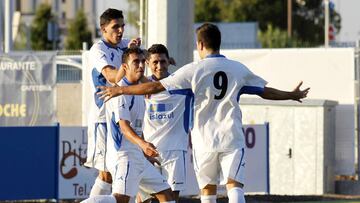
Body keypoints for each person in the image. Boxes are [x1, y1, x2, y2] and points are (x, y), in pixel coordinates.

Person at [97, 23, 310, 203]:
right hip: (231, 137)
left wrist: (120, 89)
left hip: (204, 141)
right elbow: (266, 92)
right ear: (218, 43)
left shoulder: (193, 70)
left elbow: (154, 87)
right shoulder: (237, 68)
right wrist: (291, 95)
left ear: (200, 45)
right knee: (235, 186)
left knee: (207, 191)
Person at [83, 47, 175, 203]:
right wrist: (144, 144)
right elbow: (125, 128)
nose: (140, 65)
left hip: (137, 157)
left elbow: (137, 127)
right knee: (120, 199)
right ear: (125, 67)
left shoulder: (136, 90)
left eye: (142, 61)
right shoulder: (118, 93)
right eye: (135, 62)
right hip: (124, 157)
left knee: (166, 194)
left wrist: (144, 153)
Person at [84, 8, 141, 197]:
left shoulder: (123, 45)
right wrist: (128, 66)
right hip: (102, 118)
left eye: (122, 26)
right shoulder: (97, 50)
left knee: (121, 171)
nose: (120, 30)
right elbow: (111, 76)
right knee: (106, 174)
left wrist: (148, 54)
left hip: (121, 116)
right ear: (103, 29)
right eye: (115, 27)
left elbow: (144, 56)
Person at [137, 44, 191, 203]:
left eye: (163, 61)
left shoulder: (182, 85)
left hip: (174, 150)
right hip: (148, 151)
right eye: (155, 62)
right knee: (143, 199)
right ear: (147, 63)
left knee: (171, 198)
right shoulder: (140, 87)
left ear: (169, 62)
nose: (159, 66)